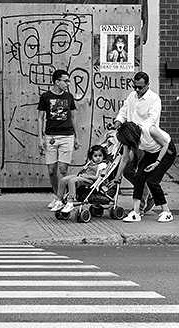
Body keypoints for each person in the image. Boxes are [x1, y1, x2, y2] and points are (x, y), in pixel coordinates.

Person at [112, 71, 162, 214]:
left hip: (145, 142)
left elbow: (152, 119)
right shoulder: (131, 96)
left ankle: (139, 208)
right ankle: (149, 194)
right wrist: (117, 123)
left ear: (147, 85)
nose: (137, 90)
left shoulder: (154, 99)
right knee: (127, 170)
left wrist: (134, 129)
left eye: (140, 87)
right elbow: (124, 110)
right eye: (135, 87)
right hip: (131, 141)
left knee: (141, 174)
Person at [114, 121, 176, 222]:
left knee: (152, 181)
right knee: (139, 176)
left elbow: (165, 145)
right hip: (151, 153)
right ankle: (136, 212)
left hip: (167, 153)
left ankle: (167, 212)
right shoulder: (127, 139)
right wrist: (117, 177)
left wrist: (157, 162)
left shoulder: (149, 130)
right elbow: (124, 158)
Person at [37, 69, 80, 210]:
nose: (68, 83)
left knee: (62, 169)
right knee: (51, 170)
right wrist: (40, 138)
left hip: (67, 135)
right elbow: (40, 118)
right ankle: (57, 195)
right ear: (57, 82)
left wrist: (76, 137)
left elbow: (73, 117)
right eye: (65, 81)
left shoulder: (69, 97)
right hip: (51, 137)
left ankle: (61, 198)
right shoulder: (45, 97)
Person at [51, 144, 109, 214]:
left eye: (100, 155)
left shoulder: (102, 165)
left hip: (91, 181)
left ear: (103, 156)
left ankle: (70, 201)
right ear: (91, 156)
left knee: (72, 181)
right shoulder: (90, 163)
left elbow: (99, 177)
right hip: (82, 177)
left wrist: (87, 176)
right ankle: (59, 200)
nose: (98, 158)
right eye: (95, 156)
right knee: (63, 180)